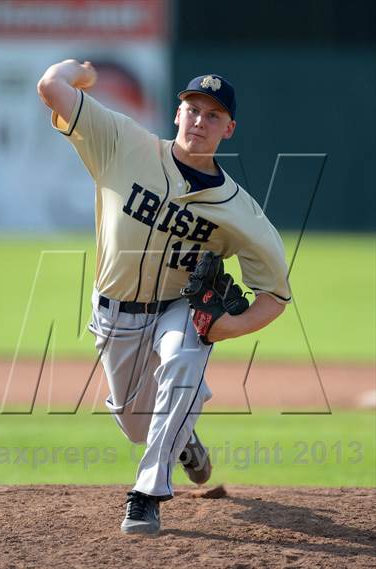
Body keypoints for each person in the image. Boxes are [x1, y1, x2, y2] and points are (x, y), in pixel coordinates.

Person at [37, 62, 291, 535]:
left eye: (213, 116)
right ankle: (183, 436)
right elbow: (52, 86)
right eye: (192, 109)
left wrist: (222, 327)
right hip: (114, 314)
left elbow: (275, 294)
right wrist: (83, 72)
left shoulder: (242, 213)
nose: (199, 120)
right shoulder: (122, 143)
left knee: (184, 360)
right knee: (137, 426)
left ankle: (147, 494)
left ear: (229, 129)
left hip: (180, 309)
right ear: (177, 113)